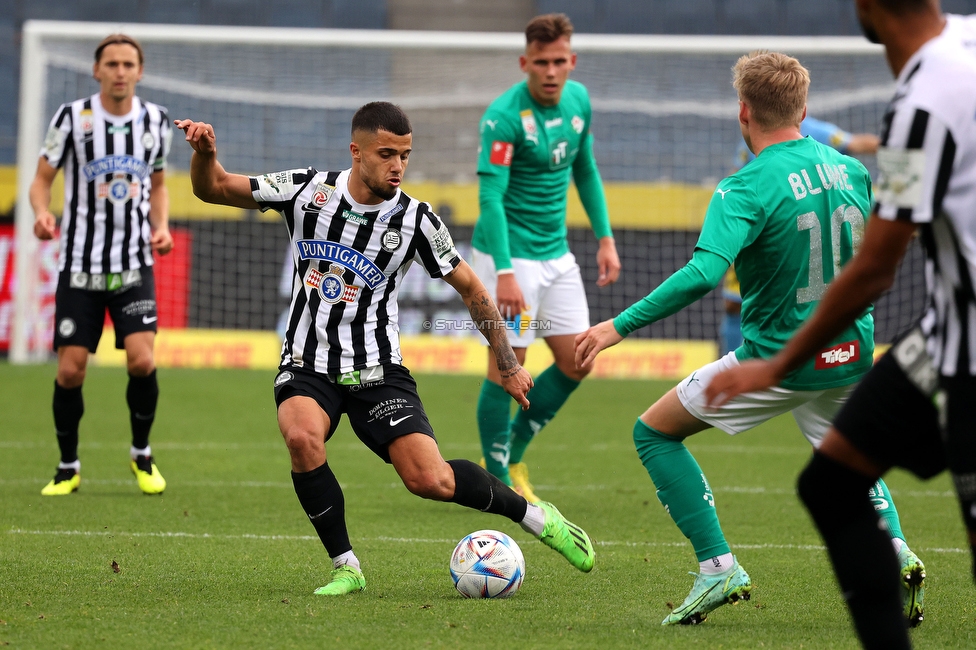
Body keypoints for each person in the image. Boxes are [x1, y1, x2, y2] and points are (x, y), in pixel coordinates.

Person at [175, 101, 596, 596]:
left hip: (378, 370)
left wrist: (506, 364)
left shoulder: (417, 220)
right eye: (386, 154)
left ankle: (534, 517)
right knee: (301, 437)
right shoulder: (307, 190)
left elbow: (473, 290)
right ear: (356, 152)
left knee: (430, 480)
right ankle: (346, 566)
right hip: (307, 364)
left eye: (405, 155)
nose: (397, 165)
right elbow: (214, 188)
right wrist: (205, 155)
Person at [575, 50, 924, 626]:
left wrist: (617, 325)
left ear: (743, 113)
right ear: (805, 109)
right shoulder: (850, 170)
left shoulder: (742, 188)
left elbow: (705, 274)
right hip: (853, 350)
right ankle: (895, 552)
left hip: (779, 359)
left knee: (653, 434)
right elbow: (890, 244)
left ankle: (718, 568)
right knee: (848, 457)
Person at [705, 2, 976, 648]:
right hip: (943, 331)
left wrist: (775, 360)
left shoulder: (916, 112)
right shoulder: (965, 43)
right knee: (832, 480)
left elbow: (875, 267)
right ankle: (922, 450)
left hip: (967, 346)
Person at [471, 13, 621, 502]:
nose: (552, 71)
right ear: (525, 63)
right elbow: (490, 199)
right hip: (508, 257)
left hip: (556, 255)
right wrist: (505, 272)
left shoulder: (580, 101)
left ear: (572, 61)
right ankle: (494, 476)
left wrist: (605, 238)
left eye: (560, 61)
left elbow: (586, 169)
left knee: (579, 359)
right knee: (510, 366)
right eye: (542, 63)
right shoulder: (503, 117)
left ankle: (513, 453)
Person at [30, 34, 173, 496]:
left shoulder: (155, 121)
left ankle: (141, 454)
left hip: (133, 264)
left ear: (139, 71)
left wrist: (162, 226)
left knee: (142, 359)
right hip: (80, 266)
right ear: (96, 70)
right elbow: (41, 180)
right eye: (110, 63)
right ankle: (68, 466)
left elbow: (159, 184)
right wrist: (41, 212)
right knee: (70, 370)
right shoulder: (71, 118)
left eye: (128, 63)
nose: (119, 71)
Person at [721, 119, 881, 355]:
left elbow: (855, 144)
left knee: (803, 297)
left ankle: (797, 356)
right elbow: (738, 173)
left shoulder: (818, 133)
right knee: (734, 303)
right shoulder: (753, 135)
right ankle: (733, 363)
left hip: (795, 227)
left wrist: (897, 146)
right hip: (754, 231)